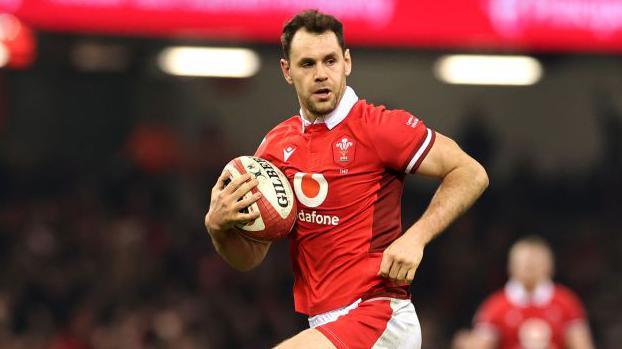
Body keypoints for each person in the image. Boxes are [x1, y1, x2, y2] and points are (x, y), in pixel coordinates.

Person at [204, 10, 488, 349]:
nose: (322, 74)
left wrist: (417, 238)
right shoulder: (276, 147)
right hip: (326, 324)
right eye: (307, 64)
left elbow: (471, 173)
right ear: (287, 71)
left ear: (347, 62)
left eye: (330, 61)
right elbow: (250, 258)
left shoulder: (379, 127)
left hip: (379, 316)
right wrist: (218, 227)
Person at [452, 236, 595, 349]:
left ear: (550, 266)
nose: (529, 266)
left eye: (535, 262)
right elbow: (481, 345)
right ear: (510, 266)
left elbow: (582, 345)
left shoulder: (566, 302)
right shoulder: (495, 305)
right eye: (523, 262)